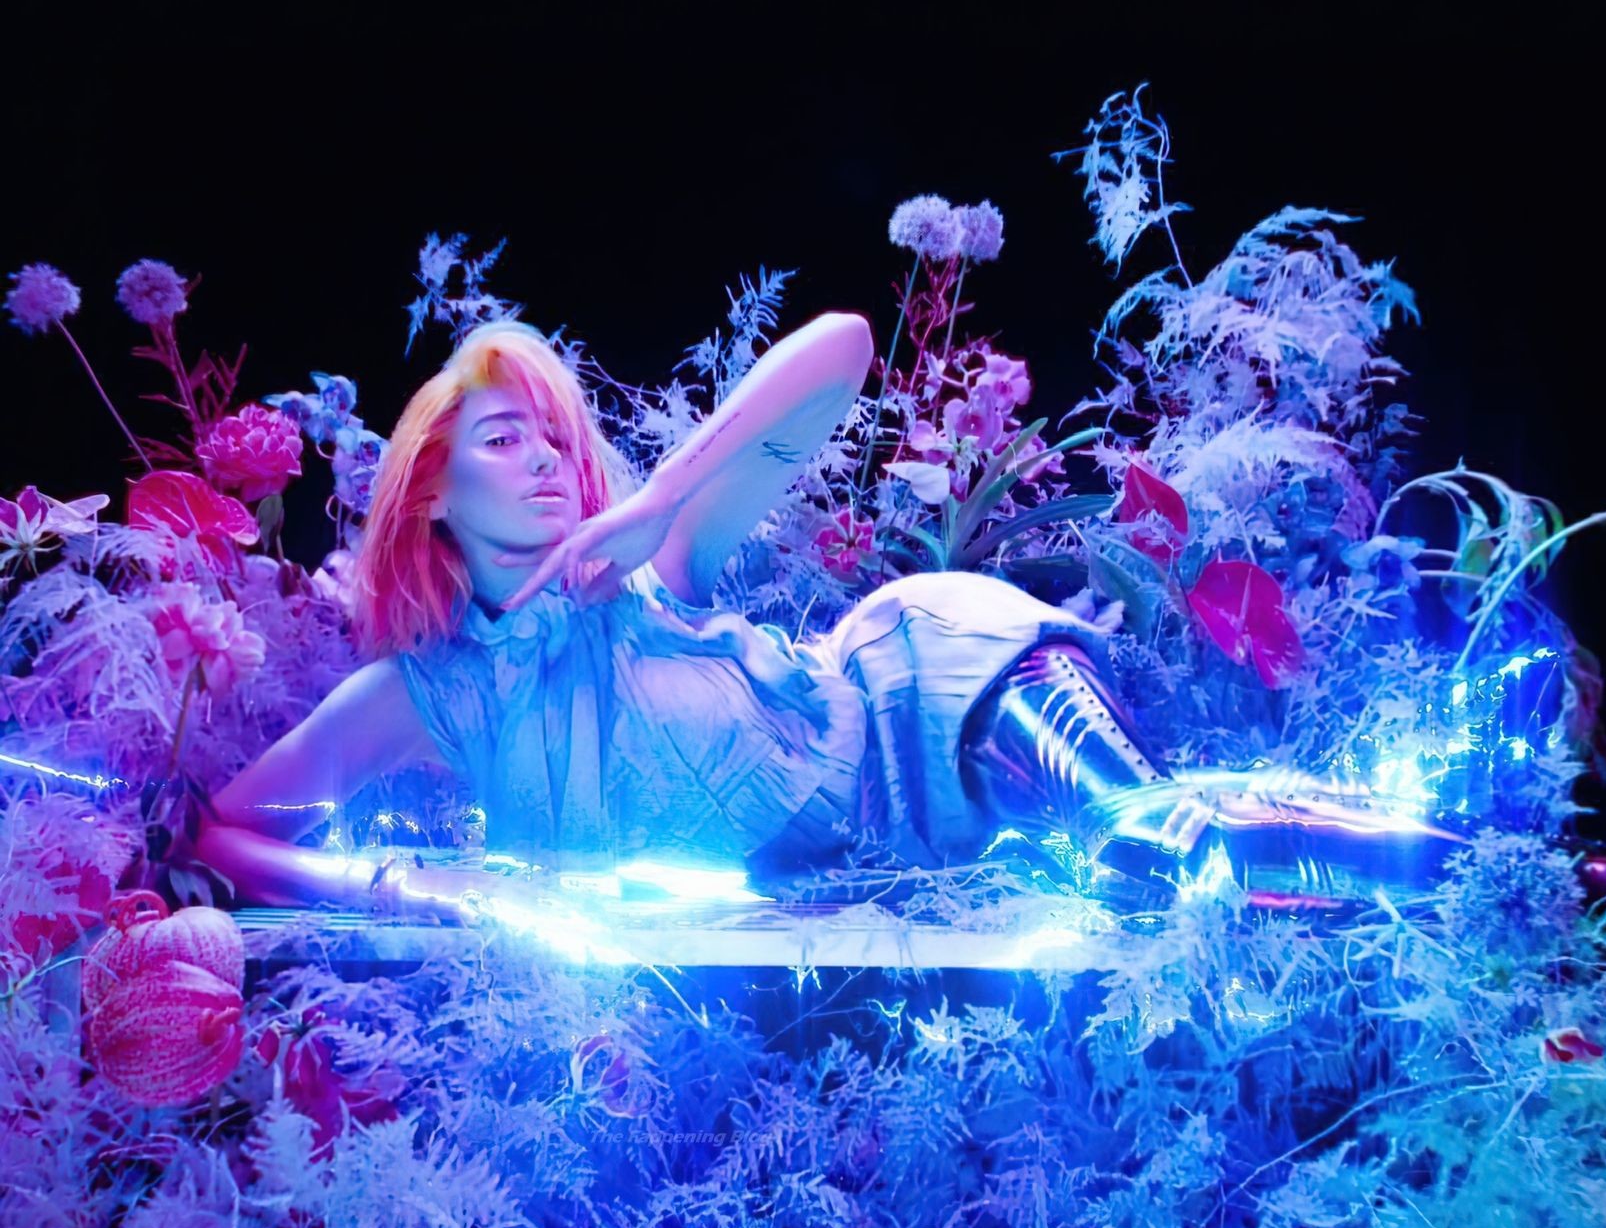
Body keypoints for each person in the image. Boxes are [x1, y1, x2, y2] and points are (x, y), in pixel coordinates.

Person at [192, 314, 1471, 921]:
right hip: (917, 867)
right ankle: (1448, 866)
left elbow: (847, 348)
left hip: (931, 693)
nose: (543, 462)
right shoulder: (423, 699)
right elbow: (229, 829)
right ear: (428, 494)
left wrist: (658, 502)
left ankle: (1486, 883)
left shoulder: (653, 572)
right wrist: (392, 888)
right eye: (501, 439)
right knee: (1156, 879)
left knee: (1162, 849)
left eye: (553, 436)